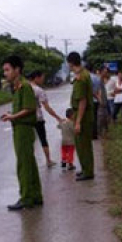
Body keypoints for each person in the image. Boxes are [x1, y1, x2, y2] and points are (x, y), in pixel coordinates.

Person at [0, 55, 42, 210]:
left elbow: (30, 108)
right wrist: (11, 115)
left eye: (8, 70)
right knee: (29, 163)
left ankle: (26, 197)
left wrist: (12, 116)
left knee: (24, 164)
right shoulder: (17, 87)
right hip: (19, 128)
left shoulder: (24, 86)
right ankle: (35, 195)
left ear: (17, 70)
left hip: (24, 129)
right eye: (4, 70)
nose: (5, 73)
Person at [67, 52, 94, 181]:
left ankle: (88, 172)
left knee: (83, 145)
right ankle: (85, 169)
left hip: (82, 114)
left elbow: (82, 101)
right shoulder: (84, 74)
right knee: (81, 144)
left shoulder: (81, 78)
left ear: (71, 63)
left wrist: (78, 122)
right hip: (83, 113)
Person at [27, 70, 62, 167]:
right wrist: (57, 117)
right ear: (36, 77)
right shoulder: (38, 90)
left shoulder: (25, 88)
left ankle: (29, 162)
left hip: (27, 119)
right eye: (42, 77)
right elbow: (47, 107)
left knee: (29, 141)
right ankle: (48, 160)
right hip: (38, 118)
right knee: (43, 139)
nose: (43, 79)